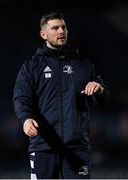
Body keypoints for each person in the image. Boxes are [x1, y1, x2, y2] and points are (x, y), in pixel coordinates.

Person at [13, 12, 109, 179]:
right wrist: (26, 119)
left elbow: (104, 100)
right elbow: (21, 97)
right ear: (43, 34)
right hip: (44, 146)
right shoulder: (32, 66)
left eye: (63, 27)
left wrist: (99, 90)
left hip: (77, 148)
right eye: (55, 28)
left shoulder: (84, 64)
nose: (61, 31)